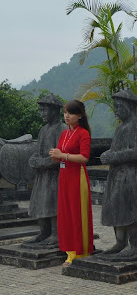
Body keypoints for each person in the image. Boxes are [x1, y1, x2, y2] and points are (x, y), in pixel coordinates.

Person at [100, 89, 137, 258]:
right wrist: (109, 154)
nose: (116, 110)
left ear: (130, 107)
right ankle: (120, 242)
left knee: (132, 209)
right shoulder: (120, 128)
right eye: (115, 107)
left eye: (120, 106)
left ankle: (135, 245)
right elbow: (117, 149)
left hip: (132, 175)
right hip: (116, 175)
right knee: (116, 208)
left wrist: (113, 156)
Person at [48, 100, 93, 265]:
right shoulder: (64, 134)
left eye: (71, 113)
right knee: (65, 213)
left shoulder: (83, 134)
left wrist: (63, 155)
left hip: (77, 175)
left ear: (79, 116)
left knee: (77, 212)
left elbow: (84, 157)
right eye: (65, 112)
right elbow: (59, 155)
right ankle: (68, 250)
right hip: (64, 175)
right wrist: (55, 156)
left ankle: (80, 251)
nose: (67, 116)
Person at [24, 94, 66, 248]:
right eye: (40, 110)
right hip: (42, 175)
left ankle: (55, 233)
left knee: (52, 203)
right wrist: (33, 159)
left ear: (55, 110)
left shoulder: (62, 129)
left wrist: (41, 162)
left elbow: (58, 155)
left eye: (45, 110)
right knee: (40, 202)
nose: (42, 113)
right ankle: (44, 232)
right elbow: (38, 150)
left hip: (55, 175)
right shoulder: (43, 130)